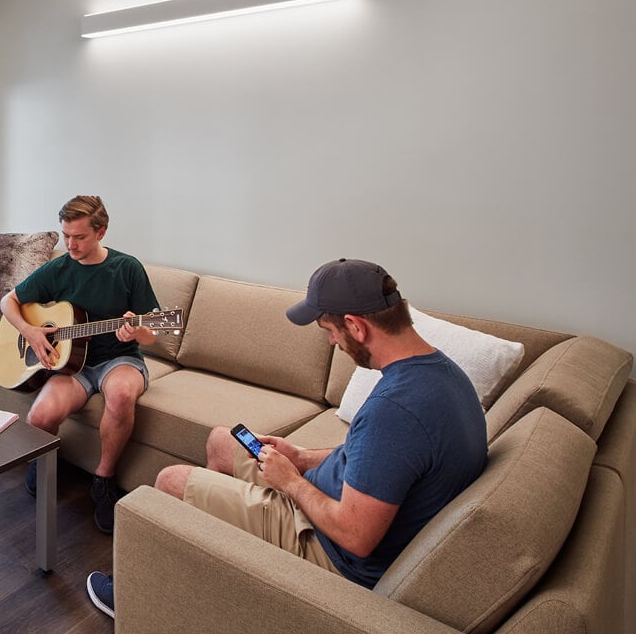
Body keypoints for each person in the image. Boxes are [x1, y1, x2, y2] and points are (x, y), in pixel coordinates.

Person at [86, 258, 488, 619]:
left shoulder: (394, 410)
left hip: (330, 547)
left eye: (330, 332)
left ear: (356, 326)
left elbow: (357, 537)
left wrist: (289, 481)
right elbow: (384, 459)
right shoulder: (446, 376)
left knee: (170, 482)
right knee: (223, 440)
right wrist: (302, 457)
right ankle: (212, 562)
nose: (332, 342)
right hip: (329, 495)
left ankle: (133, 596)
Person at [0, 195, 160, 534]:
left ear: (101, 233)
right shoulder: (59, 267)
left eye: (79, 237)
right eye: (66, 235)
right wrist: (30, 331)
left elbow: (154, 336)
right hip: (74, 366)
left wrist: (137, 330)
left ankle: (104, 480)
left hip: (120, 360)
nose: (70, 244)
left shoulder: (127, 268)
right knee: (40, 416)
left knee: (119, 396)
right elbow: (8, 301)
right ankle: (43, 464)